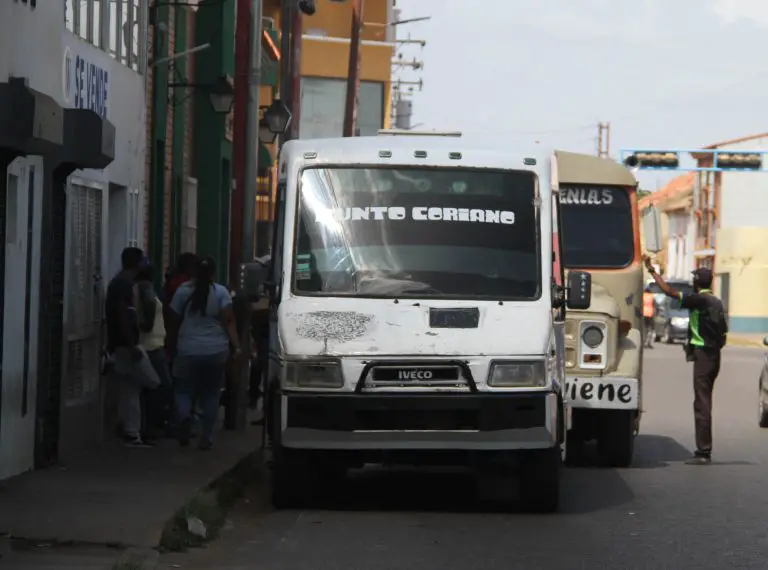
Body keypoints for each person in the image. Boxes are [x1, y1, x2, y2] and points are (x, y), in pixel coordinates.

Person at [643, 255, 728, 465]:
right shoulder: (716, 302)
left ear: (697, 283)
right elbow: (724, 333)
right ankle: (704, 449)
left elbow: (669, 292)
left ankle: (704, 452)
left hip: (704, 356)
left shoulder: (699, 300)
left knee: (702, 403)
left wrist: (653, 272)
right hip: (714, 356)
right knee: (704, 400)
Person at [167, 256, 242, 450]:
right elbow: (229, 322)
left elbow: (173, 321)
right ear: (214, 273)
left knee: (183, 390)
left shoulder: (182, 292)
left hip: (188, 349)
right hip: (216, 351)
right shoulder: (221, 292)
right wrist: (237, 347)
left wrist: (170, 346)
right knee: (211, 394)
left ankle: (184, 418)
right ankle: (206, 437)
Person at [105, 247, 161, 447]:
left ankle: (131, 431)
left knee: (131, 388)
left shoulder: (122, 283)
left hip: (122, 343)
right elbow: (123, 314)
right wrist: (131, 344)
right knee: (153, 382)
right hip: (126, 344)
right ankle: (139, 428)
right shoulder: (123, 284)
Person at [136, 264, 173, 437]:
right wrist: (148, 324)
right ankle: (150, 425)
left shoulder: (140, 288)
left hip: (152, 343)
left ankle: (148, 424)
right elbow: (150, 303)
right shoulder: (145, 287)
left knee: (151, 386)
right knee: (160, 384)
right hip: (151, 344)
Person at [643, 284, 656, 349]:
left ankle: (644, 342)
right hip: (650, 314)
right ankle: (648, 342)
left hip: (644, 314)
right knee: (651, 329)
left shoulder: (643, 296)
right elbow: (654, 305)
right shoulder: (652, 296)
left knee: (644, 328)